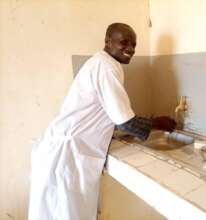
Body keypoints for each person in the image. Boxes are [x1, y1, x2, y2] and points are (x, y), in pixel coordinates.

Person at [28, 23, 176, 220]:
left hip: (66, 149)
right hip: (68, 155)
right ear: (108, 42)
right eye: (124, 43)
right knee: (64, 213)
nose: (130, 49)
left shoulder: (103, 63)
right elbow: (126, 122)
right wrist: (159, 122)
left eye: (134, 44)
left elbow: (111, 114)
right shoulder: (106, 68)